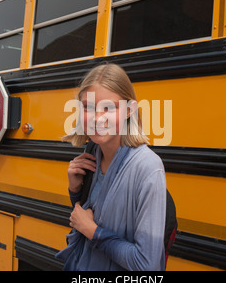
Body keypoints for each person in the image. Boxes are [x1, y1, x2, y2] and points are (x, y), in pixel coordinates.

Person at [55, 63, 167, 271]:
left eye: (109, 108)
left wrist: (93, 231)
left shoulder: (147, 167)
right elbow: (86, 218)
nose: (97, 118)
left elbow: (146, 265)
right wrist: (76, 191)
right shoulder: (93, 156)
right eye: (88, 107)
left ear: (129, 110)